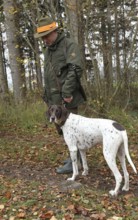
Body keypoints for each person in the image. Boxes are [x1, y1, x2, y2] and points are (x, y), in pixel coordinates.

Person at [34, 16, 86, 174]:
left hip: (67, 97)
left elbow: (75, 68)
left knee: (71, 130)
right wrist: (47, 95)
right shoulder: (48, 50)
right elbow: (50, 75)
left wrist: (68, 91)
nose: (44, 40)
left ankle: (74, 162)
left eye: (46, 36)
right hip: (54, 99)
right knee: (62, 130)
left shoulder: (69, 45)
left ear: (54, 31)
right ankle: (73, 157)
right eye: (42, 37)